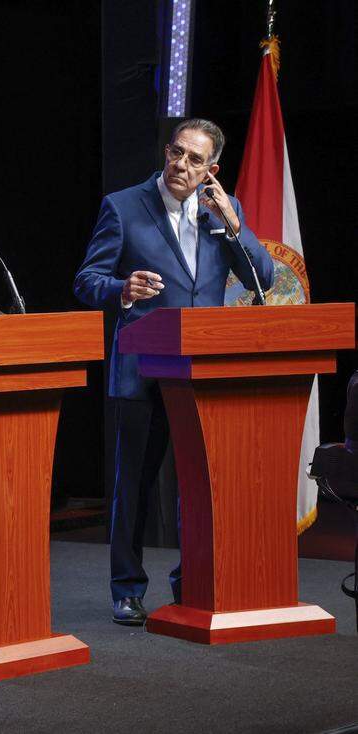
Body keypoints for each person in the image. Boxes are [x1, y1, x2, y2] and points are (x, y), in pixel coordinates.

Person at [74, 118, 274, 626]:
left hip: (199, 373)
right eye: (176, 153)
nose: (181, 166)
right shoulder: (123, 205)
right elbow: (87, 279)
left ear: (212, 170)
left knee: (200, 484)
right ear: (167, 151)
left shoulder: (220, 212)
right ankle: (127, 588)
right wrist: (121, 287)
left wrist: (232, 220)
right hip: (140, 368)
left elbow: (262, 278)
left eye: (194, 159)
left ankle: (193, 582)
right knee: (134, 484)